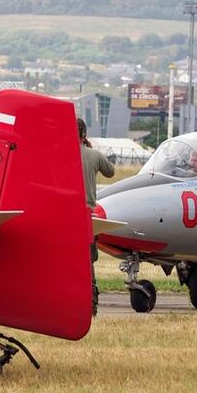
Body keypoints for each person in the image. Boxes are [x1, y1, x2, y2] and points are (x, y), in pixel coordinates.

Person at [79, 119, 115, 315]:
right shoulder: (93, 154)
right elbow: (110, 172)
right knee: (88, 261)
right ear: (85, 134)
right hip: (86, 217)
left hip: (65, 216)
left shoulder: (62, 153)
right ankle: (91, 305)